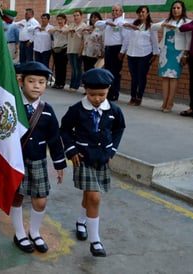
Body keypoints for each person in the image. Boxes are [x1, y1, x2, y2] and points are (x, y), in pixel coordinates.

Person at [60, 68, 125, 257]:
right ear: (85, 89)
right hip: (83, 158)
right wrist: (71, 149)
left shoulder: (114, 110)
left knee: (89, 195)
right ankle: (95, 241)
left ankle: (81, 221)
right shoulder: (76, 110)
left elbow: (119, 129)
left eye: (101, 95)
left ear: (109, 90)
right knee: (95, 197)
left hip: (102, 158)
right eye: (92, 94)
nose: (97, 98)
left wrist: (112, 150)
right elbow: (64, 130)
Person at [10, 61, 66, 254]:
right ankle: (19, 233)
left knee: (40, 200)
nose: (36, 85)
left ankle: (34, 232)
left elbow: (54, 138)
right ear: (21, 82)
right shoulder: (12, 105)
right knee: (17, 197)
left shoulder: (47, 110)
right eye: (31, 81)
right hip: (16, 160)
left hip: (38, 161)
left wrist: (59, 163)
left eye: (41, 82)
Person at [151, 1, 191, 113]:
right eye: (174, 8)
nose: (176, 10)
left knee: (173, 78)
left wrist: (186, 54)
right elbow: (153, 27)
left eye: (178, 8)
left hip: (178, 52)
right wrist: (163, 25)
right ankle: (164, 102)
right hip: (165, 51)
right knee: (164, 77)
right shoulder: (167, 20)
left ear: (182, 9)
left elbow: (189, 39)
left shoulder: (186, 22)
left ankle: (170, 103)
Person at [121, 5, 159, 106]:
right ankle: (132, 97)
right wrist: (123, 51)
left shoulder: (151, 26)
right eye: (139, 12)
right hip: (131, 54)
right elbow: (124, 31)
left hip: (144, 54)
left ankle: (139, 97)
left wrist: (155, 54)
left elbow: (155, 41)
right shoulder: (133, 24)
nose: (141, 14)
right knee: (134, 77)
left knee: (141, 77)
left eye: (143, 12)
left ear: (148, 14)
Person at [95, 4, 128, 101]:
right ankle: (108, 93)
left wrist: (122, 52)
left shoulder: (122, 22)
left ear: (121, 12)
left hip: (117, 49)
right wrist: (107, 23)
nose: (114, 12)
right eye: (113, 10)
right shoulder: (108, 22)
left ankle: (114, 93)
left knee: (115, 72)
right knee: (107, 71)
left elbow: (126, 39)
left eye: (117, 11)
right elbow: (97, 23)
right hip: (108, 49)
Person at [64, 9, 87, 92]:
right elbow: (64, 31)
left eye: (77, 15)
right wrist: (69, 30)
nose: (75, 17)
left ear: (81, 16)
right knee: (73, 68)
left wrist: (81, 50)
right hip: (70, 49)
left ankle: (76, 85)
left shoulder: (84, 26)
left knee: (78, 68)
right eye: (74, 15)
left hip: (78, 49)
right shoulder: (71, 25)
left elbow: (84, 38)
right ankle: (72, 84)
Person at [49, 13, 68, 89]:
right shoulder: (55, 28)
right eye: (58, 19)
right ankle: (57, 82)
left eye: (61, 19)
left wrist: (60, 29)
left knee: (62, 67)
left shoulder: (67, 28)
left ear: (64, 20)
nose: (59, 21)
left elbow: (65, 33)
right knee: (57, 66)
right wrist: (57, 29)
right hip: (56, 48)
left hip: (63, 48)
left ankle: (61, 83)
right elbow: (49, 31)